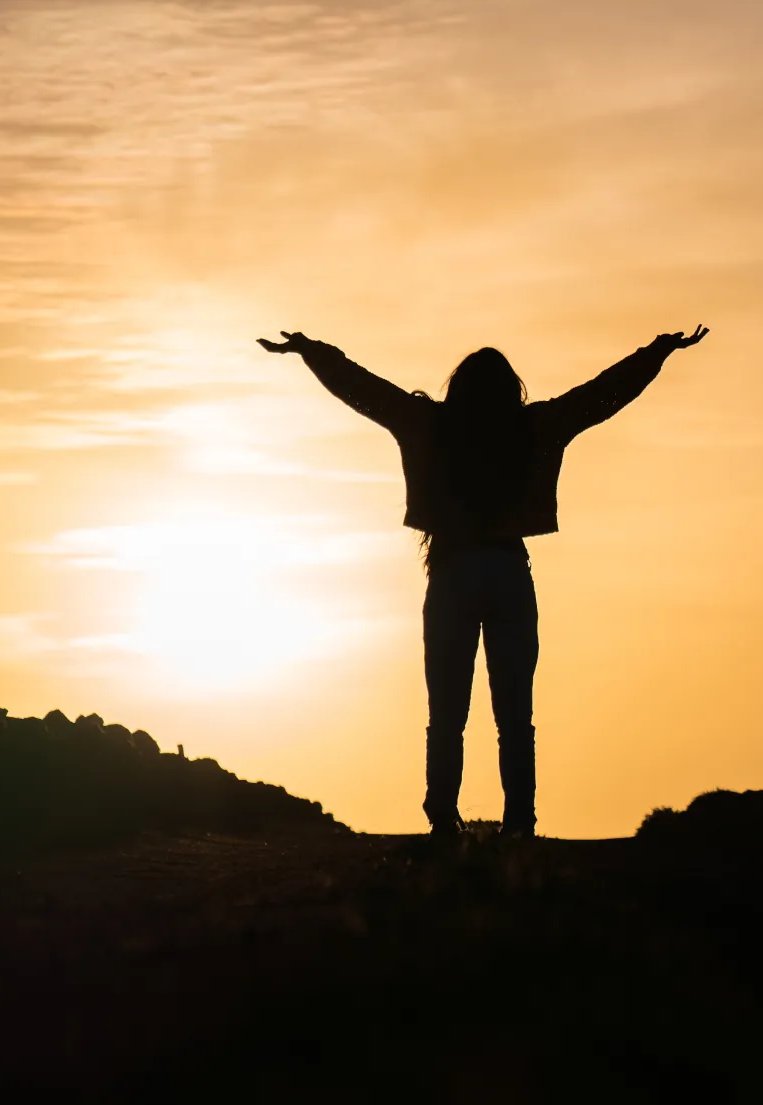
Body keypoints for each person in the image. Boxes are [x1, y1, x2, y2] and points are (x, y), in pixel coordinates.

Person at [258, 326, 709, 839]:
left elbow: (362, 388)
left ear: (458, 387)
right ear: (511, 390)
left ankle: (443, 818)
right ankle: (519, 823)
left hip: (452, 572)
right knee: (515, 712)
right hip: (507, 570)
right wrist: (656, 353)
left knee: (447, 710)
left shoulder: (429, 423)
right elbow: (602, 395)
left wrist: (310, 351)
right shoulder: (534, 426)